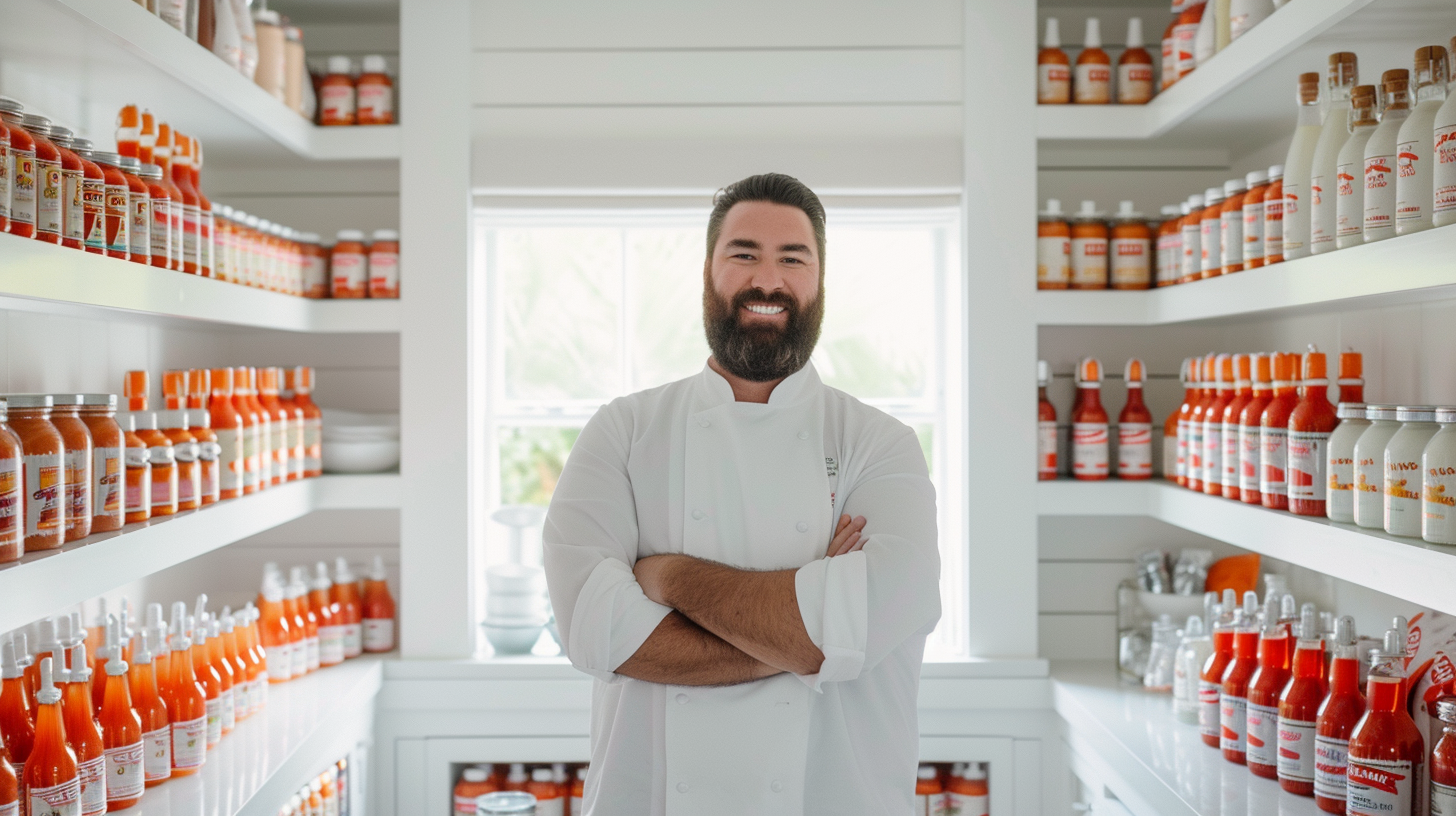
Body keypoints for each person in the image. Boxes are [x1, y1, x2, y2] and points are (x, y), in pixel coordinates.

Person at [543, 172, 941, 815]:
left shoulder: (881, 445)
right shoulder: (623, 431)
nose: (767, 280)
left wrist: (669, 576)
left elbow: (871, 616)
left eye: (793, 258)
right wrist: (808, 626)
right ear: (708, 273)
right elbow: (600, 636)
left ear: (819, 280)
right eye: (744, 254)